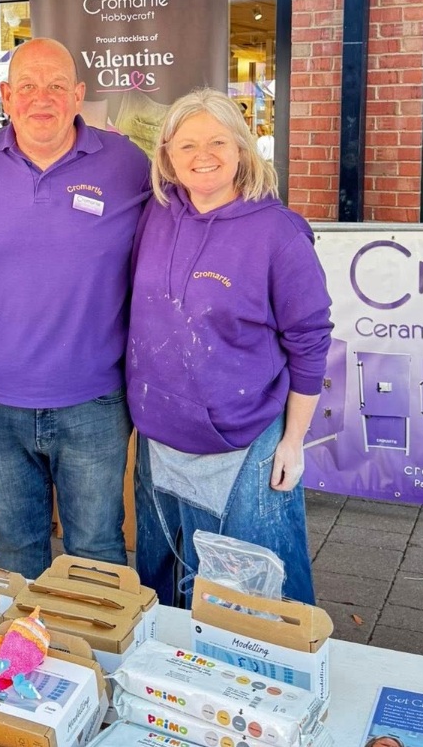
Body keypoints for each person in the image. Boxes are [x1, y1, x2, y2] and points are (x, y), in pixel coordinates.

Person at [0, 38, 150, 579]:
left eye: (57, 86)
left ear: (79, 95)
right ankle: (22, 662)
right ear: (6, 96)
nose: (44, 99)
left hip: (93, 402)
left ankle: (99, 660)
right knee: (17, 551)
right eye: (29, 87)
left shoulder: (126, 163)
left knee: (98, 551)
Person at [129, 88, 332, 607]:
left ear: (242, 149)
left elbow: (309, 341)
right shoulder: (155, 216)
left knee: (254, 601)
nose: (203, 156)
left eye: (218, 141)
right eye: (187, 145)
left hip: (244, 442)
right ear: (167, 156)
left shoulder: (277, 232)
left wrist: (293, 441)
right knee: (167, 589)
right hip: (161, 438)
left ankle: (280, 686)